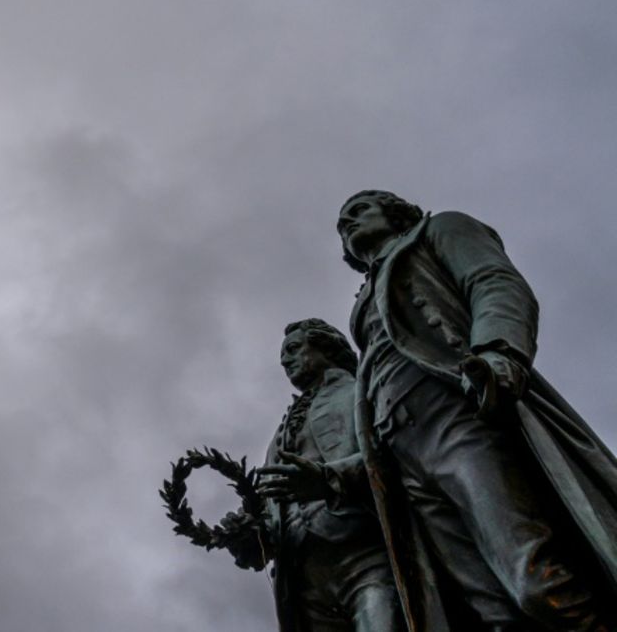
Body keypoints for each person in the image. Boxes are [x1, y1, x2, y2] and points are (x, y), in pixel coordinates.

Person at [268, 190, 617, 631]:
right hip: (403, 456)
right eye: (341, 224)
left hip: (457, 414)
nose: (348, 224)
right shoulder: (361, 310)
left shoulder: (439, 229)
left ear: (395, 212)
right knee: (488, 610)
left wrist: (498, 352)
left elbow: (493, 281)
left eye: (359, 211)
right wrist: (331, 478)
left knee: (534, 579)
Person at [226, 318, 403, 632]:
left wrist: (328, 479)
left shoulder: (364, 390)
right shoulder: (278, 436)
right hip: (303, 583)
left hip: (366, 557)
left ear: (327, 347)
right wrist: (253, 536)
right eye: (283, 357)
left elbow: (402, 456)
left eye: (294, 349)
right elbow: (276, 513)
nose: (285, 360)